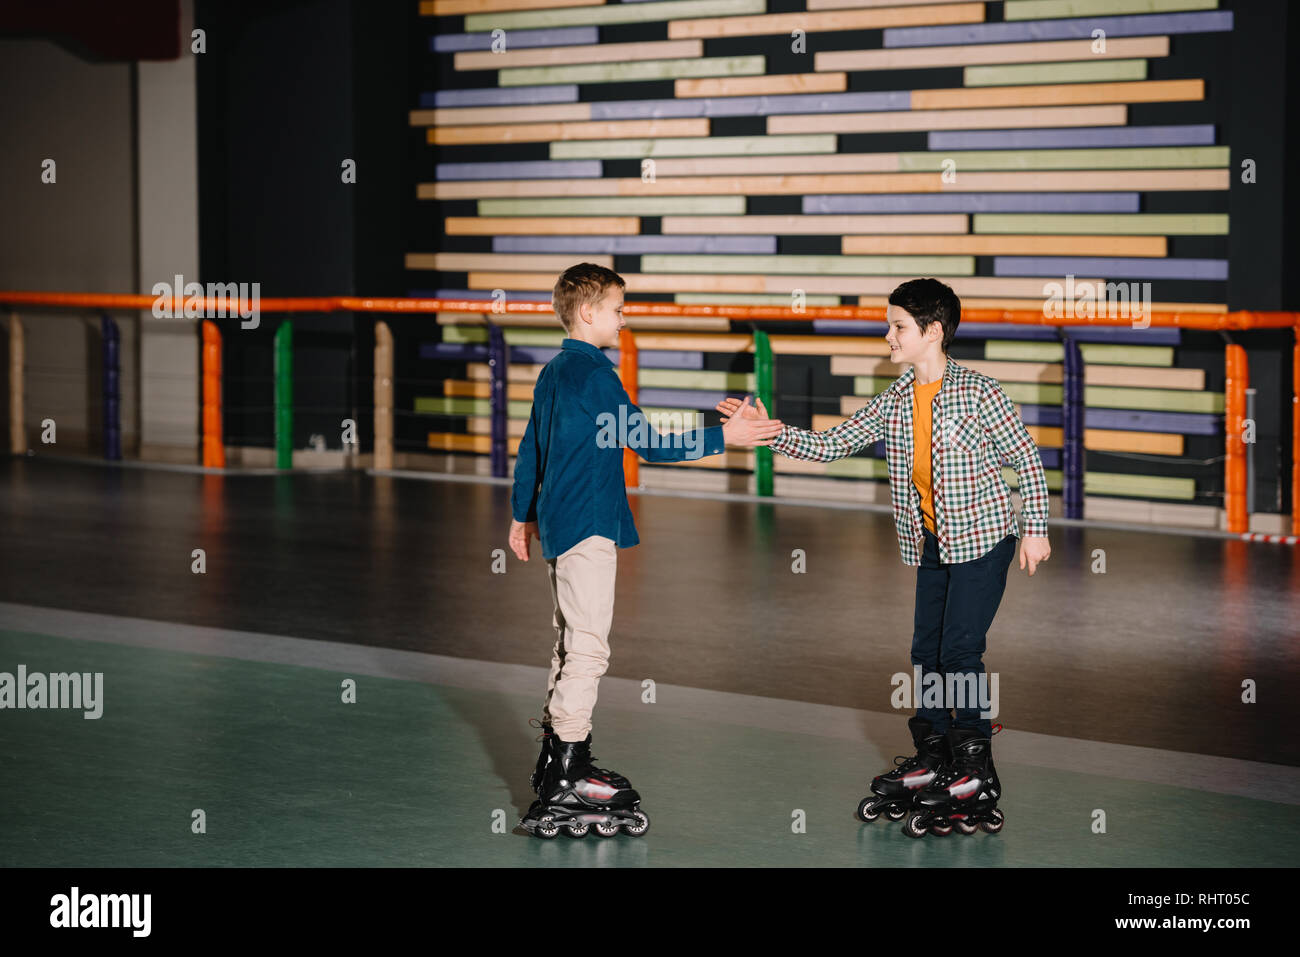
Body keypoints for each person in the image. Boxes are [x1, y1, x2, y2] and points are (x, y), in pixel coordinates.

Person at [717, 277, 1050, 838]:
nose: (888, 334)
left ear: (933, 331)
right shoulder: (896, 397)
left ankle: (974, 769)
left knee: (960, 649)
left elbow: (1027, 459)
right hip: (934, 542)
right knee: (926, 650)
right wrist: (769, 432)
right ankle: (936, 754)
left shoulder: (979, 392)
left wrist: (1035, 530)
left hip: (985, 540)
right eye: (889, 323)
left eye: (898, 325)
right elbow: (833, 443)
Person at [507, 262, 783, 838]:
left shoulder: (555, 372)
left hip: (561, 524)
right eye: (617, 307)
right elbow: (648, 442)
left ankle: (558, 757)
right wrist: (723, 437)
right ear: (588, 312)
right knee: (587, 648)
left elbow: (532, 446)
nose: (622, 317)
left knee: (566, 642)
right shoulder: (596, 375)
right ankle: (567, 770)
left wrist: (521, 515)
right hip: (587, 527)